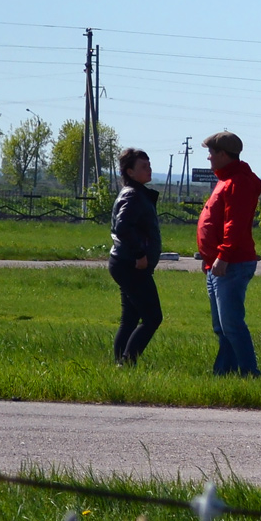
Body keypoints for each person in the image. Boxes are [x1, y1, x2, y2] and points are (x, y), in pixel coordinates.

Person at [195, 131, 261, 377]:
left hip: (231, 263)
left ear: (223, 154)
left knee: (231, 324)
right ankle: (225, 372)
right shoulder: (226, 179)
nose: (209, 158)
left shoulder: (237, 182)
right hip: (218, 264)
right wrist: (212, 259)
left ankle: (249, 373)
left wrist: (222, 256)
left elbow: (234, 224)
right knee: (222, 327)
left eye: (211, 153)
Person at [108, 148, 163, 365]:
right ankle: (127, 363)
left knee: (130, 319)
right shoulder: (132, 194)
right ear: (130, 172)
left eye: (149, 165)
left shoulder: (136, 193)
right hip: (131, 265)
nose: (149, 169)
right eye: (143, 166)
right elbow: (122, 227)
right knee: (152, 317)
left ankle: (120, 365)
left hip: (125, 262)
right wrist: (140, 254)